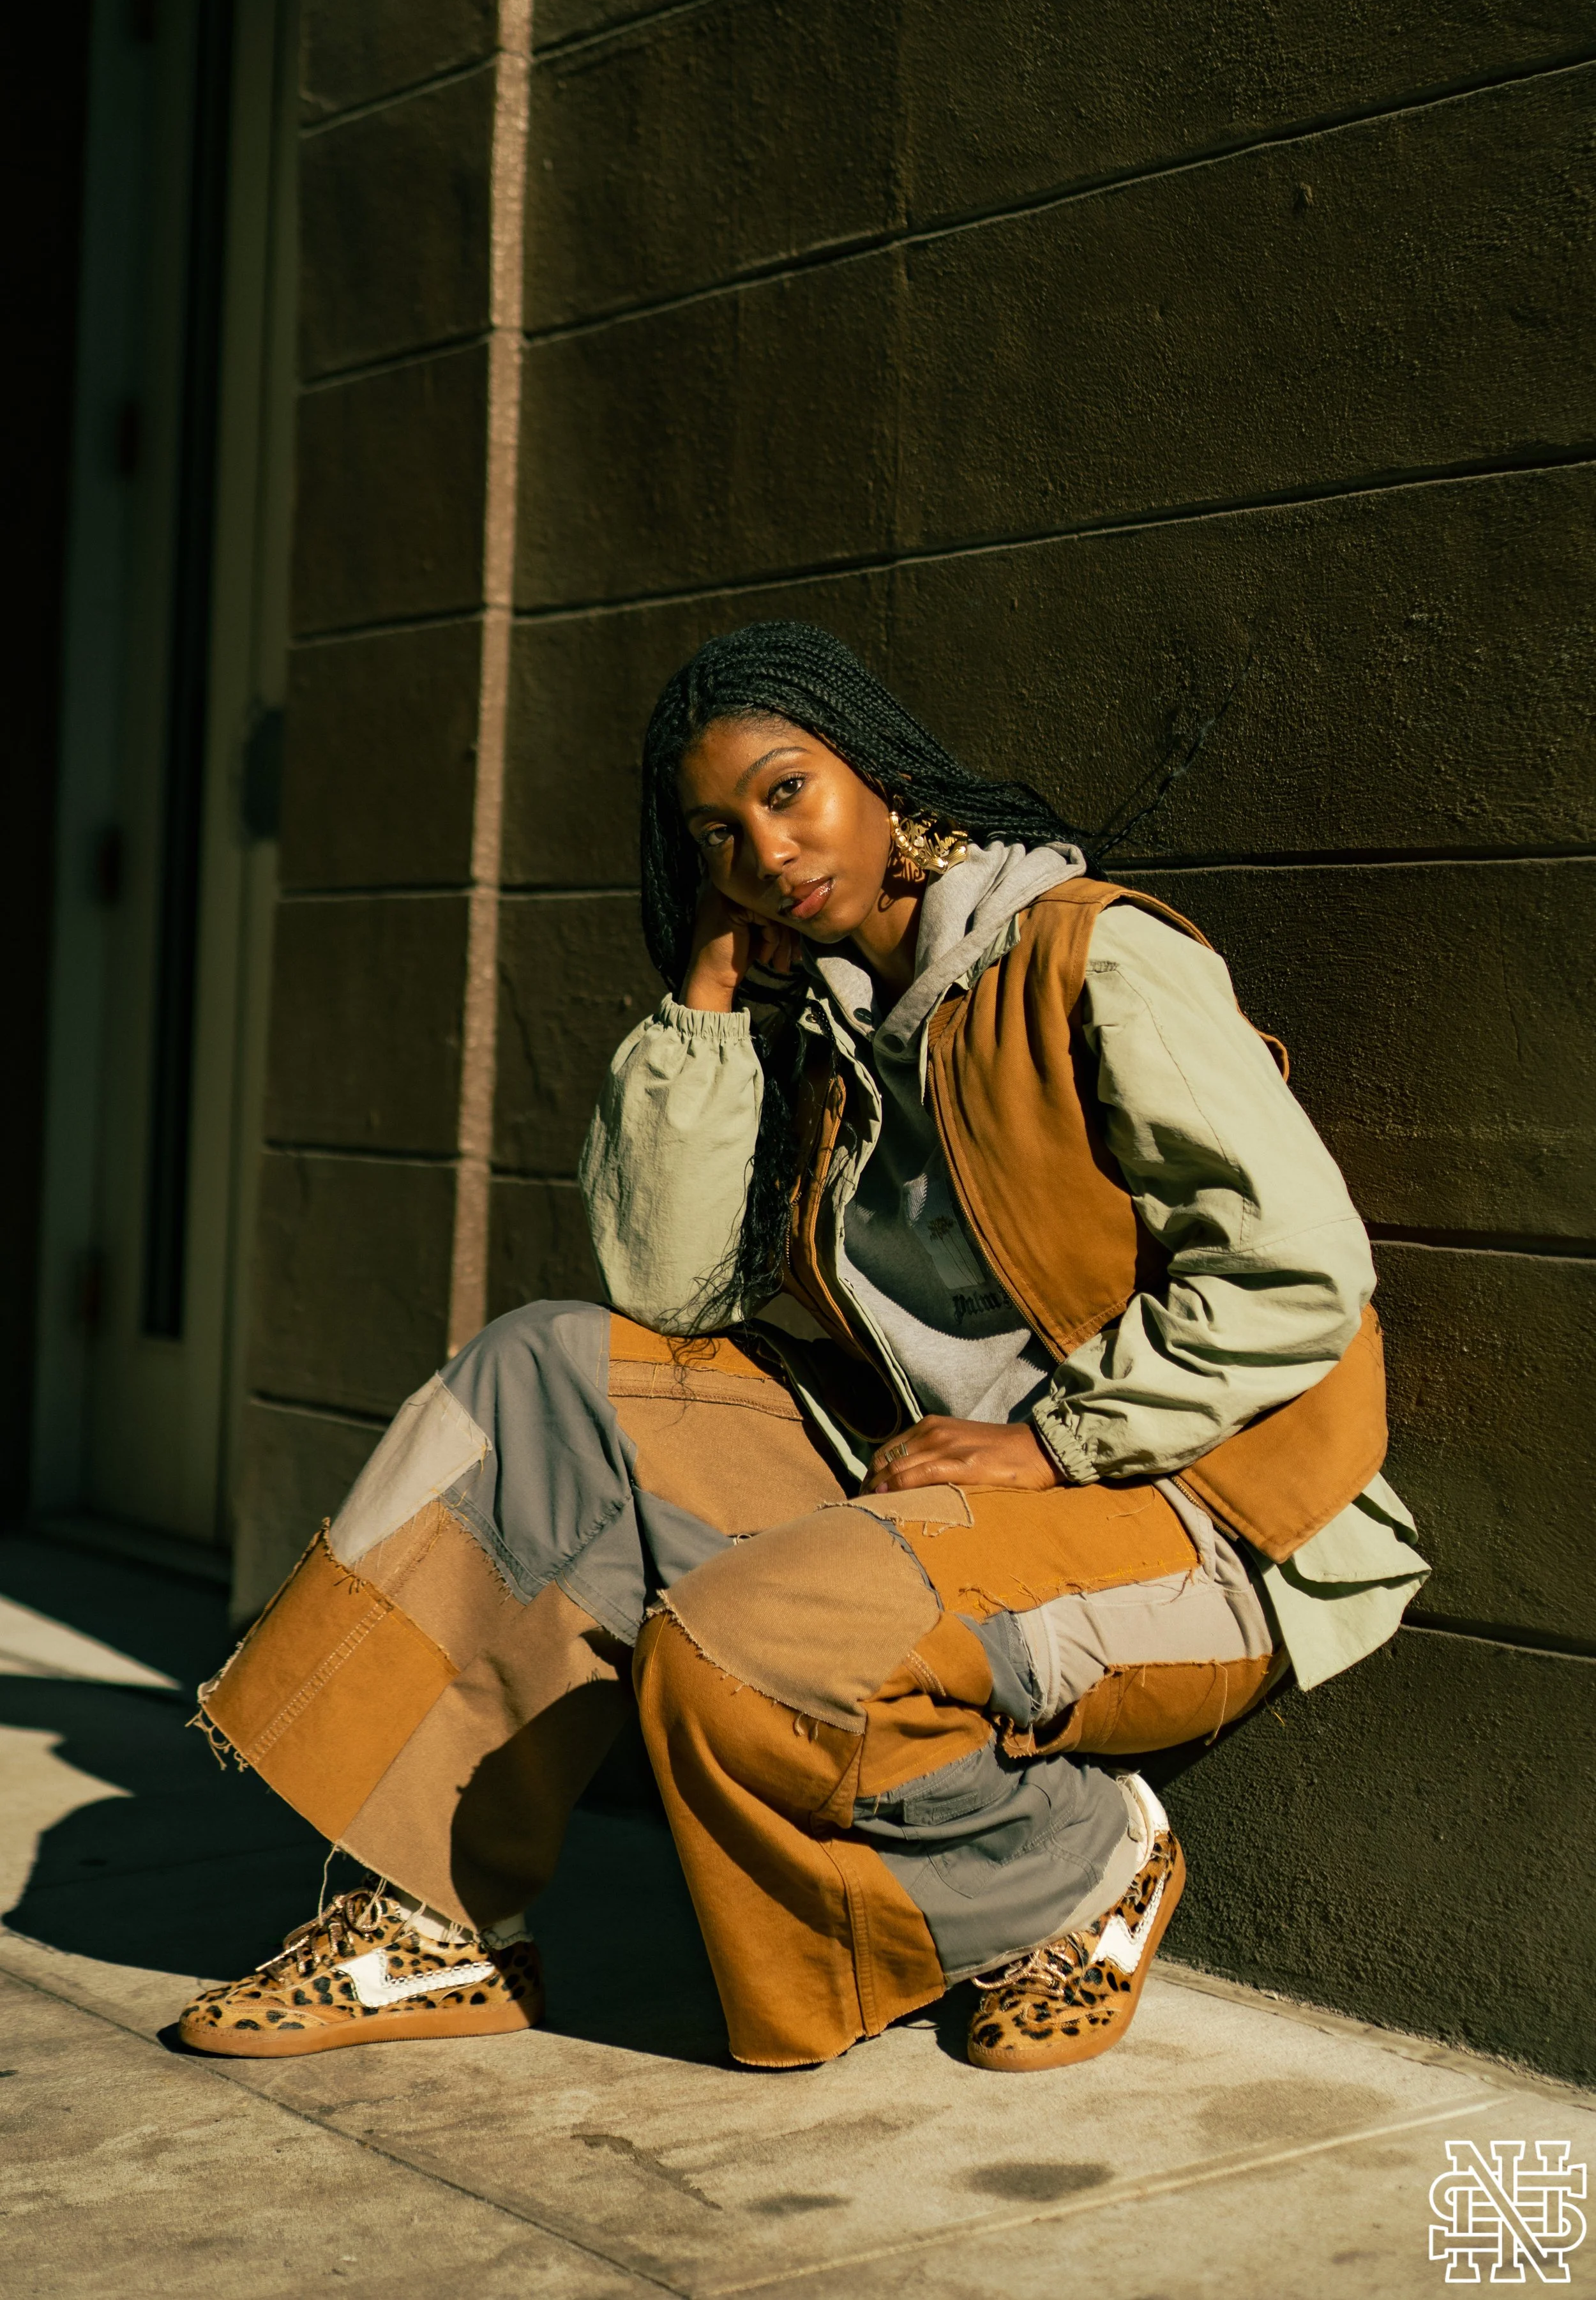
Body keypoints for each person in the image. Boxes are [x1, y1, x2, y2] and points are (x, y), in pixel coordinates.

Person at [179, 622, 1427, 2073]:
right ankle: (434, 1917)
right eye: (717, 832)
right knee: (537, 1375)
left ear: (880, 775)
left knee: (743, 1648)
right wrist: (710, 996)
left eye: (786, 792)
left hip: (1197, 1513)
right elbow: (665, 1287)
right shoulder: (828, 1036)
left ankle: (1076, 1868)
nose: (764, 852)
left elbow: (1300, 1269)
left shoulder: (1092, 955)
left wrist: (1050, 1443)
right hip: (934, 1494)